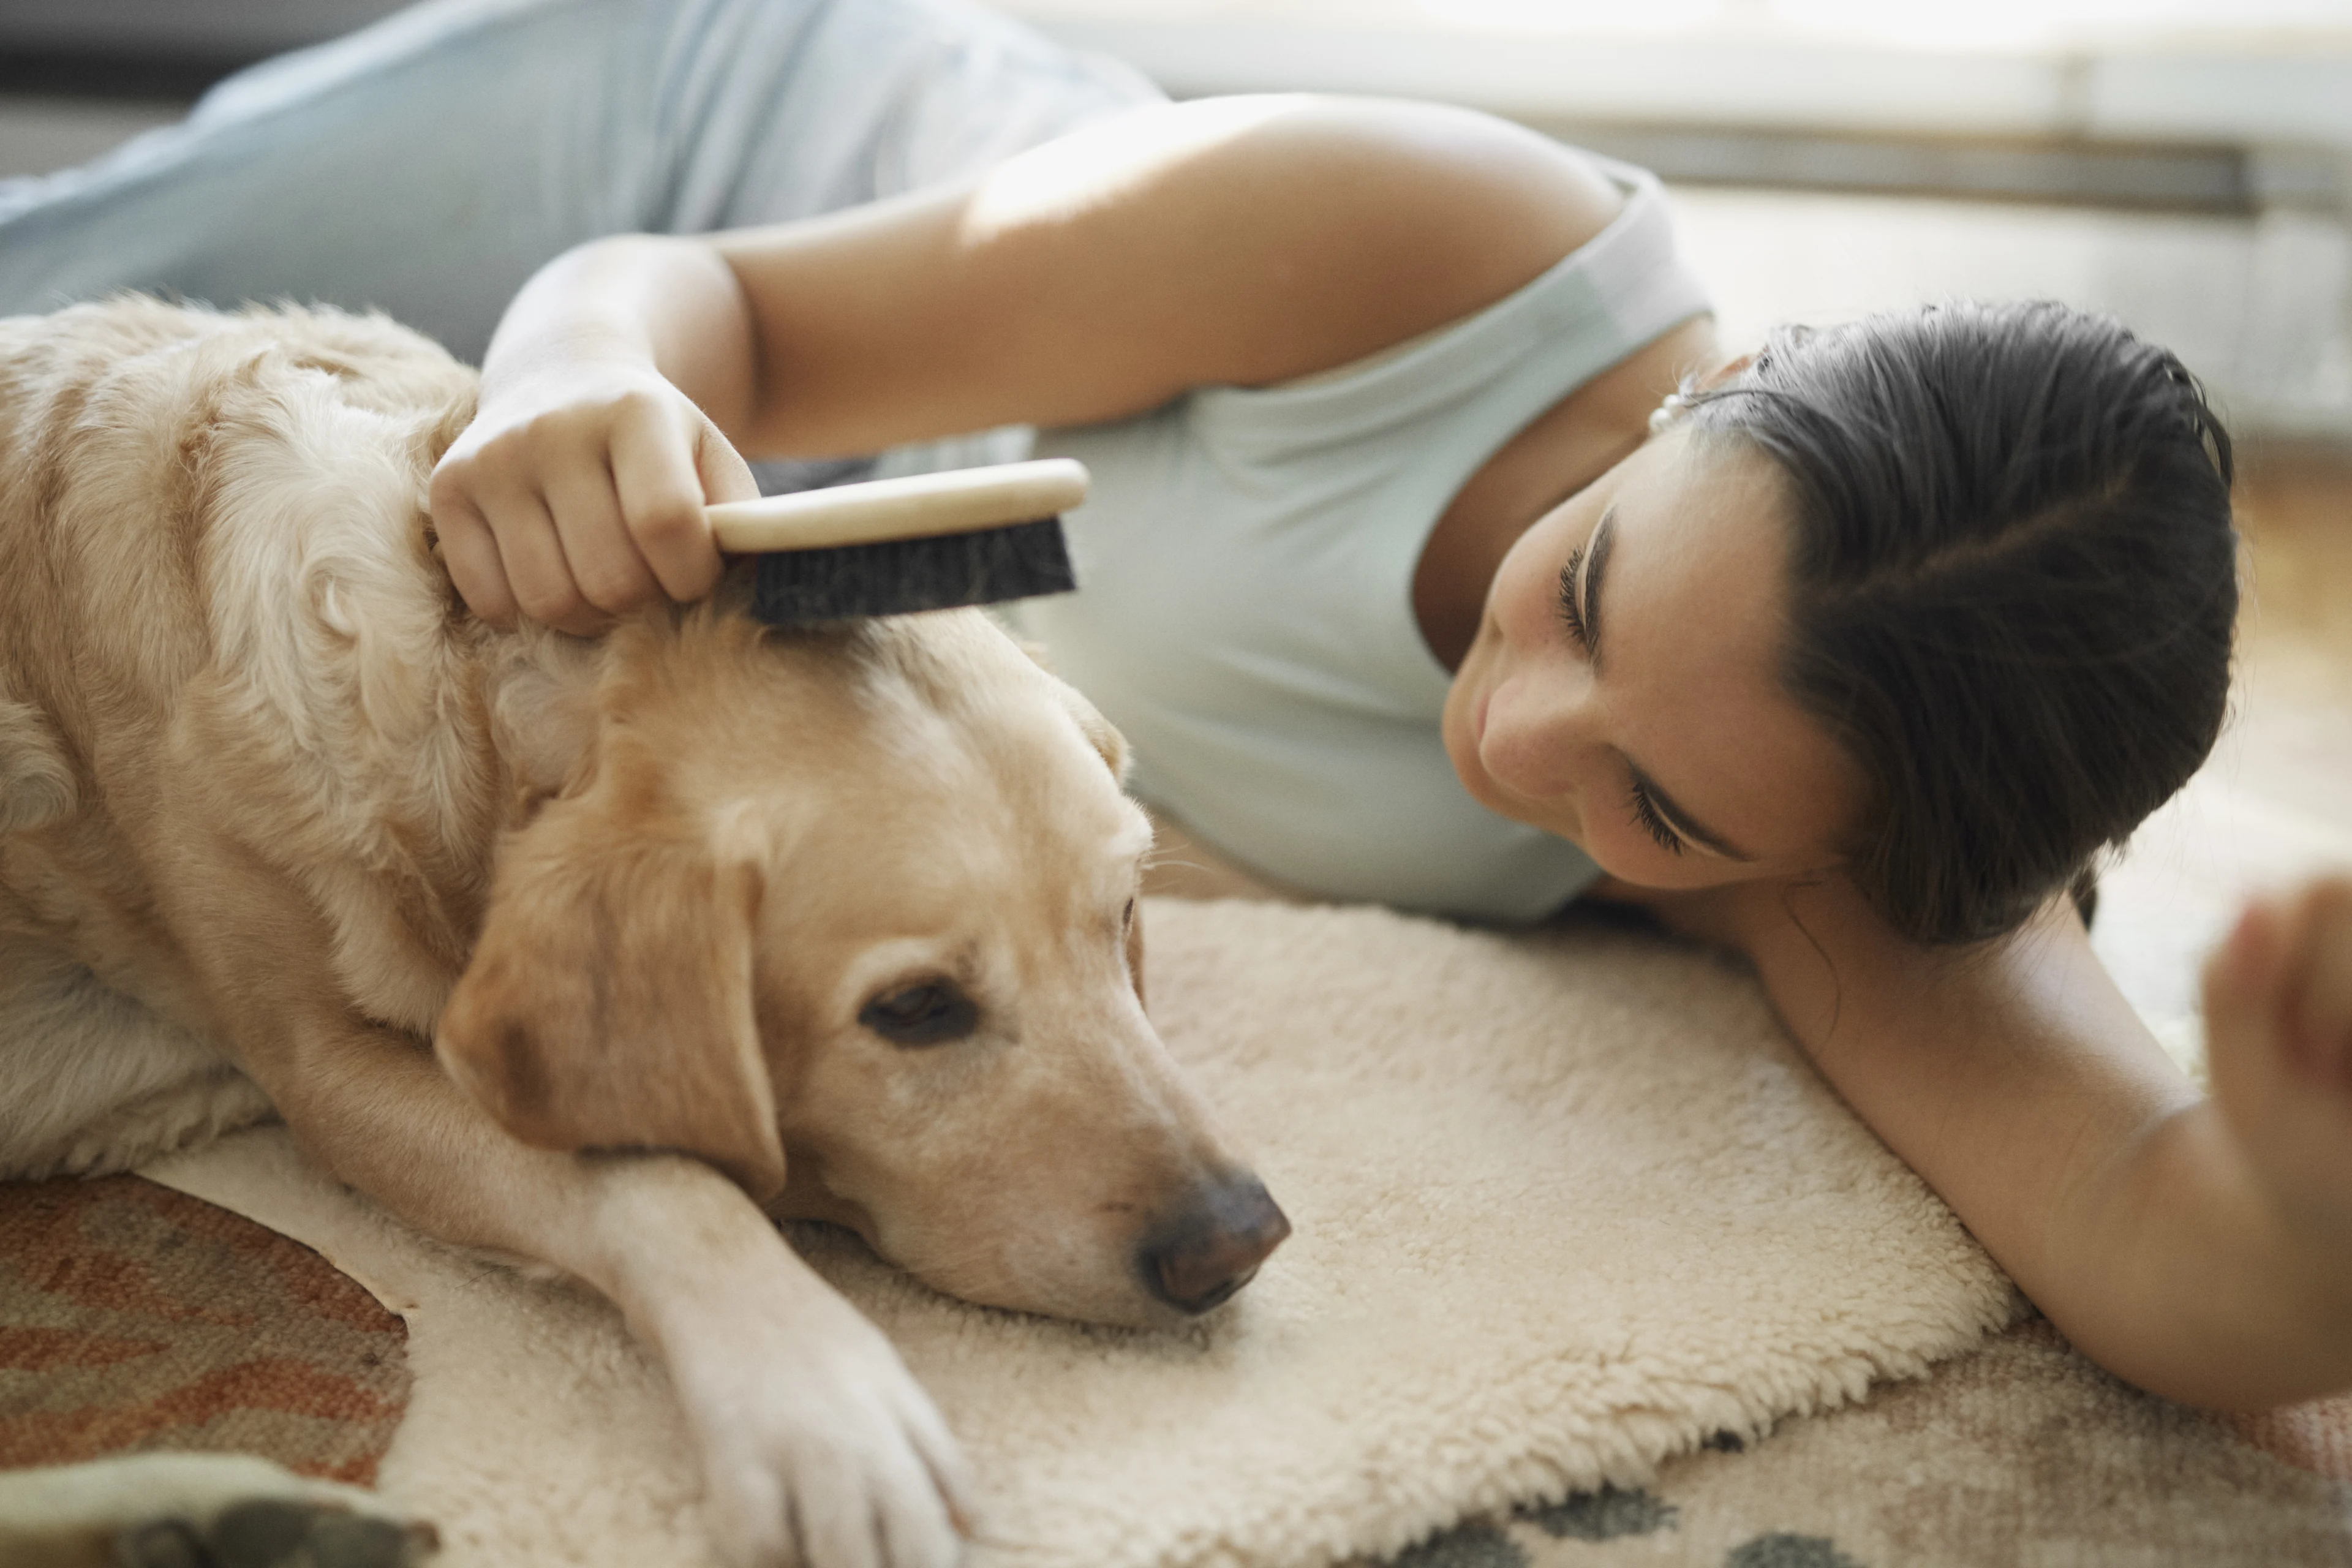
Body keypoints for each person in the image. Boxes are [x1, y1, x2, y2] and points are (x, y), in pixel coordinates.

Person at [6, 0, 2348, 1411]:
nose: (1519, 742)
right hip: (712, 158)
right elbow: (701, 290)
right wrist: (579, 374)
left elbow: (2155, 1238)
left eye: (1647, 803)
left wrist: (2313, 1196)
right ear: (1703, 402)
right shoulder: (1415, 234)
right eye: (1587, 591)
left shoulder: (1843, 801)